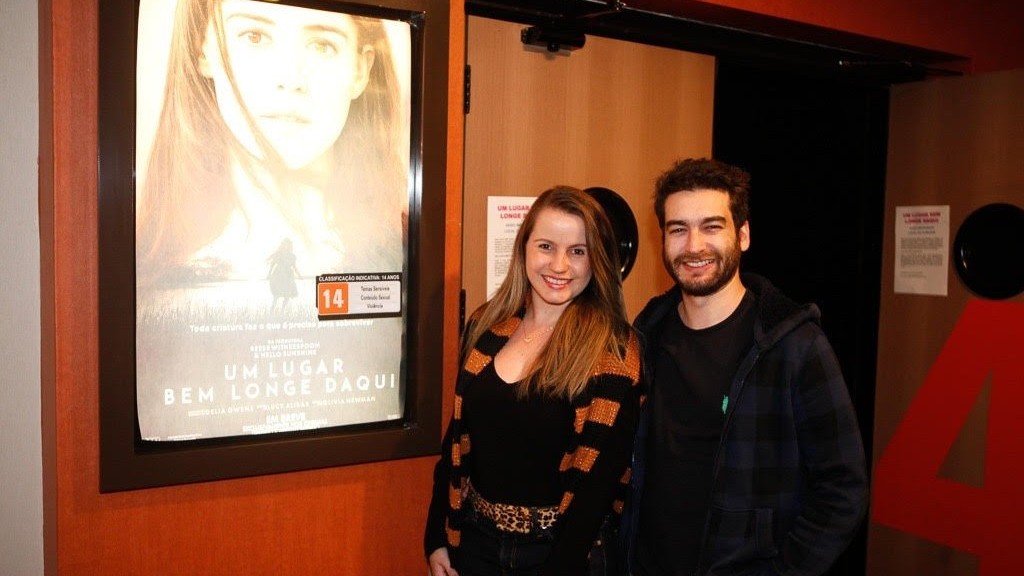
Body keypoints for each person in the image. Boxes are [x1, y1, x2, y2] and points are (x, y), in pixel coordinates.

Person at [621, 159, 868, 576]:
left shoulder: (794, 346)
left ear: (743, 235)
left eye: (711, 227)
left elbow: (843, 489)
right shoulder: (645, 335)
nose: (693, 246)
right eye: (678, 229)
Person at [425, 186, 644, 576]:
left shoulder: (614, 351)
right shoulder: (486, 325)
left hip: (560, 554)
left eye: (578, 251)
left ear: (595, 261)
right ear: (524, 248)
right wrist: (436, 535)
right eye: (546, 246)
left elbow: (597, 490)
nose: (559, 265)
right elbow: (456, 437)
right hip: (475, 543)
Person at [137, 0, 407, 305]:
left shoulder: (400, 251)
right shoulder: (151, 272)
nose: (290, 79)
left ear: (360, 70)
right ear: (202, 49)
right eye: (254, 37)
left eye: (322, 45)